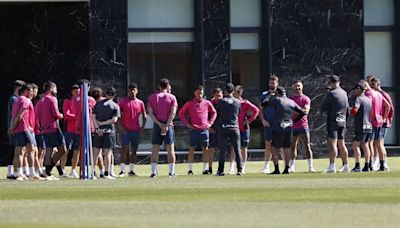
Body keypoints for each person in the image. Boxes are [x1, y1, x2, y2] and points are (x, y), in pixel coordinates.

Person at [261, 87, 306, 174]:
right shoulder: (291, 101)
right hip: (289, 126)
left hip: (278, 126)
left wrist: (271, 95)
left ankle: (277, 169)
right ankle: (286, 169)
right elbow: (302, 112)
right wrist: (295, 120)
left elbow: (264, 103)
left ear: (277, 92)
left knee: (274, 147)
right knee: (287, 148)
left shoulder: (276, 100)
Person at [179, 85, 217, 175]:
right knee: (191, 149)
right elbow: (181, 113)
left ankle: (205, 169)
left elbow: (214, 112)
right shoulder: (190, 103)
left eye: (201, 93)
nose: (200, 95)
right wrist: (187, 124)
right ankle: (190, 169)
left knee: (205, 149)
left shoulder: (207, 103)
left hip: (204, 130)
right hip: (194, 130)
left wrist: (210, 123)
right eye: (198, 93)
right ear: (194, 93)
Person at [36, 81, 68, 179]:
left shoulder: (40, 100)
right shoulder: (52, 99)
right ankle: (48, 171)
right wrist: (61, 116)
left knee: (49, 150)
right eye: (55, 89)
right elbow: (55, 114)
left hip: (44, 129)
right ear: (51, 89)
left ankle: (48, 173)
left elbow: (37, 115)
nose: (56, 91)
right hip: (53, 128)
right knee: (63, 150)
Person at [9, 83, 41, 180]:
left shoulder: (17, 100)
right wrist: (13, 127)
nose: (32, 93)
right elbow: (20, 115)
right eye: (31, 91)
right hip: (24, 128)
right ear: (26, 91)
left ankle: (18, 173)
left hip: (19, 129)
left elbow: (14, 116)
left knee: (19, 151)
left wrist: (12, 128)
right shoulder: (25, 100)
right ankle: (31, 173)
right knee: (31, 150)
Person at [147, 78, 178, 178]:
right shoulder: (172, 97)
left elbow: (150, 113)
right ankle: (171, 172)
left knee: (155, 149)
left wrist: (159, 124)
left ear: (159, 86)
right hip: (169, 124)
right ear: (168, 85)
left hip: (157, 124)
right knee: (170, 149)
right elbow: (172, 113)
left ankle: (153, 172)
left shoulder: (152, 97)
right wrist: (167, 125)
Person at [321, 75, 350, 173]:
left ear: (331, 83)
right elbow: (347, 109)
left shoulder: (331, 93)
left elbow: (324, 107)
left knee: (332, 143)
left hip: (333, 120)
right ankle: (346, 165)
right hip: (342, 120)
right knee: (342, 143)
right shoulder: (344, 93)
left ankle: (332, 165)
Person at [118, 83, 147, 177]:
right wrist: (121, 127)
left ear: (137, 91)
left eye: (134, 90)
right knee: (124, 149)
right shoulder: (123, 101)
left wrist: (142, 127)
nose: (132, 92)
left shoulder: (140, 102)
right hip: (125, 130)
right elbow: (117, 114)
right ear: (128, 91)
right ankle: (122, 170)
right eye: (130, 90)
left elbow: (144, 115)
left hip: (135, 130)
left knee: (134, 150)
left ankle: (132, 170)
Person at [70, 79, 97, 178]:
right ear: (88, 87)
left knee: (81, 150)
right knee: (87, 150)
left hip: (82, 127)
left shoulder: (75, 99)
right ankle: (88, 170)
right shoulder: (90, 100)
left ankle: (89, 170)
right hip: (87, 127)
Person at [229, 85, 259, 174]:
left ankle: (243, 167)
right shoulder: (231, 102)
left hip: (244, 129)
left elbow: (256, 110)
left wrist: (249, 121)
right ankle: (231, 168)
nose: (233, 94)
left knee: (243, 148)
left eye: (235, 92)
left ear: (239, 93)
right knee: (233, 148)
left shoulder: (245, 102)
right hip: (234, 128)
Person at [93, 87, 121, 180]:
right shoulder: (115, 106)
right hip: (109, 131)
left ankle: (92, 172)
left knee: (95, 153)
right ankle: (106, 173)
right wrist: (103, 124)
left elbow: (93, 117)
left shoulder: (98, 104)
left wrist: (97, 127)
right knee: (107, 153)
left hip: (98, 131)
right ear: (114, 95)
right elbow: (114, 120)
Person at [216, 83, 242, 176]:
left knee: (222, 150)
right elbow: (238, 113)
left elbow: (218, 113)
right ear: (233, 91)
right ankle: (240, 170)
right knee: (237, 149)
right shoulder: (238, 102)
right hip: (235, 127)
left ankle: (220, 170)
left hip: (224, 128)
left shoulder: (221, 101)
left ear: (225, 91)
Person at [289, 80, 315, 173]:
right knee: (292, 146)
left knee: (307, 146)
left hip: (304, 125)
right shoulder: (291, 99)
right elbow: (291, 111)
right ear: (293, 87)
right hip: (293, 126)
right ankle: (291, 166)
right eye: (296, 86)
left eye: (299, 86)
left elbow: (306, 111)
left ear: (302, 87)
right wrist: (300, 111)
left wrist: (297, 111)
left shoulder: (306, 99)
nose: (297, 88)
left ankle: (310, 166)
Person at [369, 77, 392, 171]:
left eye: (373, 85)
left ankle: (384, 163)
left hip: (382, 122)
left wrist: (385, 118)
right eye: (371, 85)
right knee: (377, 143)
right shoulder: (376, 94)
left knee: (379, 143)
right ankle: (378, 161)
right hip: (379, 121)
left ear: (378, 84)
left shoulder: (382, 94)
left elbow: (389, 107)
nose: (372, 87)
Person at [349, 83, 372, 172]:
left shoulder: (359, 99)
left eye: (355, 89)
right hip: (368, 125)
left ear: (359, 89)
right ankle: (367, 165)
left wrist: (350, 111)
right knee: (365, 145)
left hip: (361, 125)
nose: (354, 91)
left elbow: (355, 110)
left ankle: (357, 166)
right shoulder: (368, 99)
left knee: (355, 146)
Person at [259, 75, 279, 174]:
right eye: (270, 83)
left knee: (283, 145)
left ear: (277, 83)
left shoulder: (281, 94)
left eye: (274, 83)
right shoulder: (264, 95)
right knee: (268, 144)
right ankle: (266, 166)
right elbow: (261, 110)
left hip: (279, 124)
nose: (272, 84)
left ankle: (287, 166)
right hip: (268, 124)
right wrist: (263, 120)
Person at [6, 80, 25, 179]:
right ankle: (10, 172)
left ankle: (12, 172)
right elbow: (15, 115)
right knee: (13, 150)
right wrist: (11, 127)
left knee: (14, 150)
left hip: (14, 127)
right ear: (18, 88)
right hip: (14, 128)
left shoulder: (15, 99)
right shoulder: (14, 99)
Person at [61, 84, 80, 176]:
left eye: (79, 91)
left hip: (78, 130)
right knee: (66, 151)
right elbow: (67, 114)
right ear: (72, 92)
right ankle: (62, 170)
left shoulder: (81, 102)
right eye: (76, 91)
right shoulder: (67, 101)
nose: (77, 93)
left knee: (77, 151)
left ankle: (73, 170)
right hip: (69, 130)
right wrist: (78, 117)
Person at [208, 88, 223, 174]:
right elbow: (204, 116)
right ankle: (210, 168)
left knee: (222, 149)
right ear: (213, 96)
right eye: (217, 96)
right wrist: (209, 128)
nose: (219, 98)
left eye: (220, 96)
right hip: (213, 129)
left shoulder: (224, 104)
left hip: (222, 129)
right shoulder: (209, 104)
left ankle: (220, 168)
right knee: (211, 149)